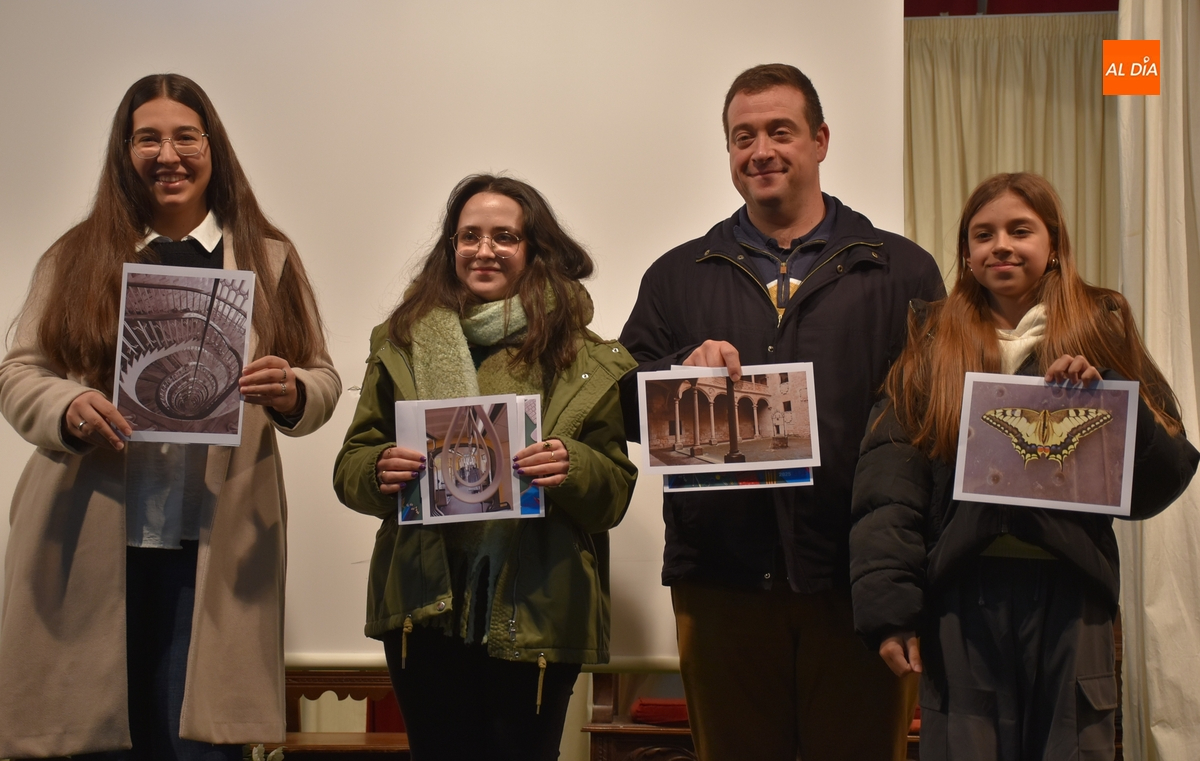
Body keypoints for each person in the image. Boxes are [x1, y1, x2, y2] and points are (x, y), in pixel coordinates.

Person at [0, 74, 341, 759]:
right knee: (94, 741)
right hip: (92, 535)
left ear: (212, 147)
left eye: (185, 135)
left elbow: (323, 376)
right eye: (147, 137)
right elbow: (18, 373)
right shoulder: (75, 256)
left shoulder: (267, 256)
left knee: (198, 747)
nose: (168, 152)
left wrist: (292, 388)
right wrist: (68, 405)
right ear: (124, 152)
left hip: (212, 542)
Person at [618, 63, 945, 761]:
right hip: (721, 582)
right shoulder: (677, 274)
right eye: (742, 137)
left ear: (821, 140)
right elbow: (620, 406)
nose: (759, 150)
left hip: (857, 581)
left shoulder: (903, 271)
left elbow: (934, 423)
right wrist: (677, 376)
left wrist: (905, 572)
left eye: (779, 131)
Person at [848, 172, 1199, 760]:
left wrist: (1110, 394)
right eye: (983, 234)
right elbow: (889, 483)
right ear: (966, 252)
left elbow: (1162, 476)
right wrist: (890, 612)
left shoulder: (1102, 327)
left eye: (1020, 230)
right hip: (962, 598)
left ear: (1054, 243)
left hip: (1072, 597)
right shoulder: (933, 342)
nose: (1001, 245)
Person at [333, 174, 637, 761]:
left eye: (505, 236)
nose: (484, 249)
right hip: (425, 610)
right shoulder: (401, 344)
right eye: (469, 236)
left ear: (534, 249)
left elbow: (615, 493)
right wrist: (379, 468)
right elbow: (350, 466)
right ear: (451, 248)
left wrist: (572, 466)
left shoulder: (582, 356)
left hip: (537, 611)